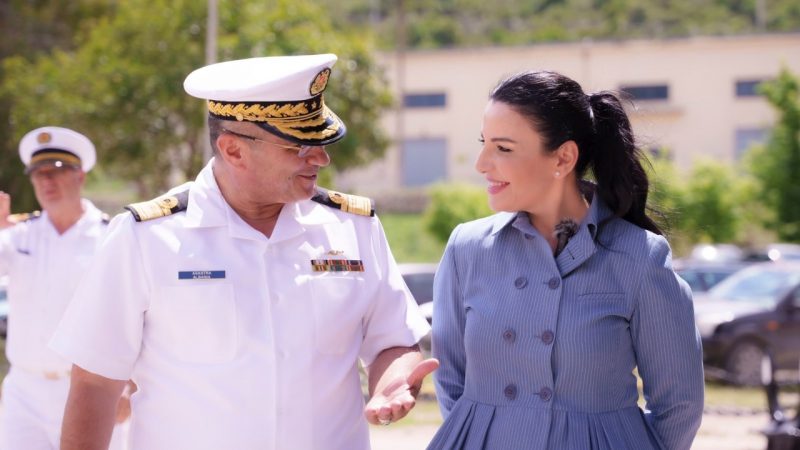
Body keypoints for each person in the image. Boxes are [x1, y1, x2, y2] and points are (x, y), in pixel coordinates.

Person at [49, 54, 437, 450]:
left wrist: (393, 380)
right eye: (299, 147)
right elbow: (96, 381)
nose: (320, 158)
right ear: (233, 150)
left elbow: (394, 339)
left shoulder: (353, 227)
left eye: (320, 143)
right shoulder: (145, 238)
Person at [427, 71, 704, 450]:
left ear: (563, 157)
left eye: (503, 148)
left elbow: (679, 405)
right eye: (483, 143)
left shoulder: (640, 257)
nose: (481, 163)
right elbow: (451, 380)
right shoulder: (467, 248)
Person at [0, 126, 130, 450]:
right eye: (38, 174)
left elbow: (132, 315)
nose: (46, 182)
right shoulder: (17, 234)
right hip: (24, 390)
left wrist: (131, 387)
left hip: (90, 390)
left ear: (80, 176)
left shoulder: (111, 236)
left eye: (55, 172)